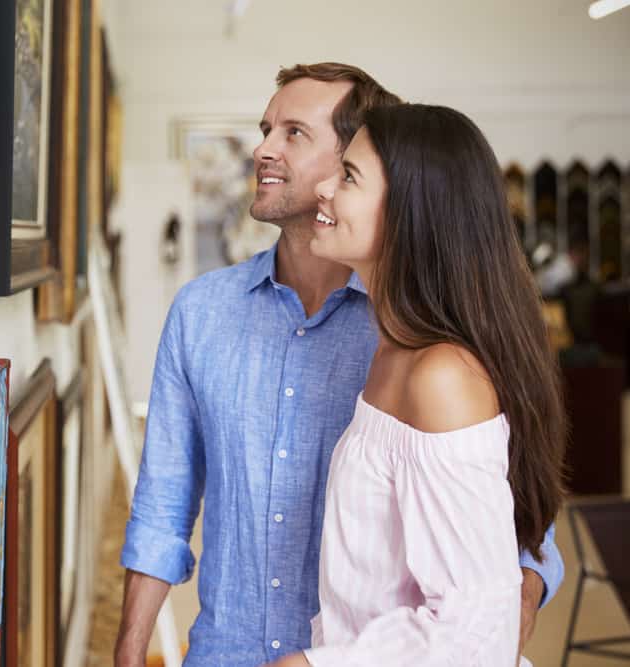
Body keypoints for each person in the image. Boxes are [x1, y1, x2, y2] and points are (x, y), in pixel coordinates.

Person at [115, 64, 564, 667]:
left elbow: (506, 531)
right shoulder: (203, 313)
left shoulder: (429, 357)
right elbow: (162, 505)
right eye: (265, 128)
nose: (262, 149)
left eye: (294, 133)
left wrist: (510, 603)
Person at [265, 103, 566, 666]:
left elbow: (476, 629)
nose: (324, 188)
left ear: (411, 211)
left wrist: (309, 665)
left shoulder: (442, 377)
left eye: (348, 176)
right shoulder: (393, 355)